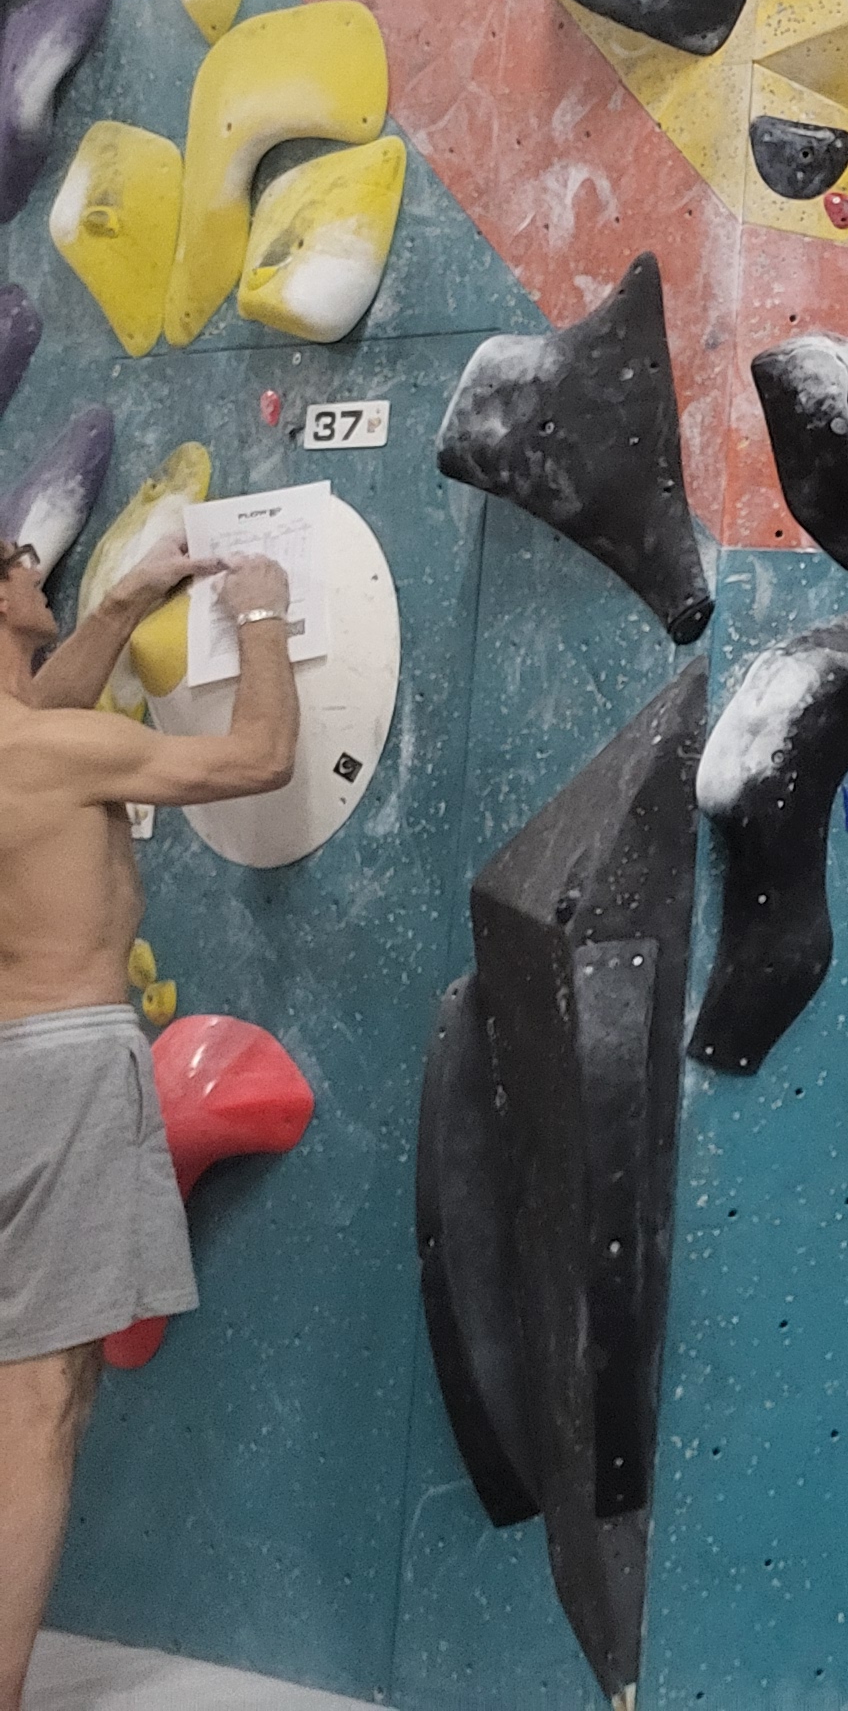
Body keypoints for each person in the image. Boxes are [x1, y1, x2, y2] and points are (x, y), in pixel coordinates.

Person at [0, 540, 299, 1711]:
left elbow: (43, 717)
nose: (35, 564)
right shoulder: (56, 753)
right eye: (15, 559)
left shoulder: (32, 746)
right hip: (66, 1065)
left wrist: (124, 601)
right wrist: (263, 617)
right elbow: (261, 756)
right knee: (39, 1402)